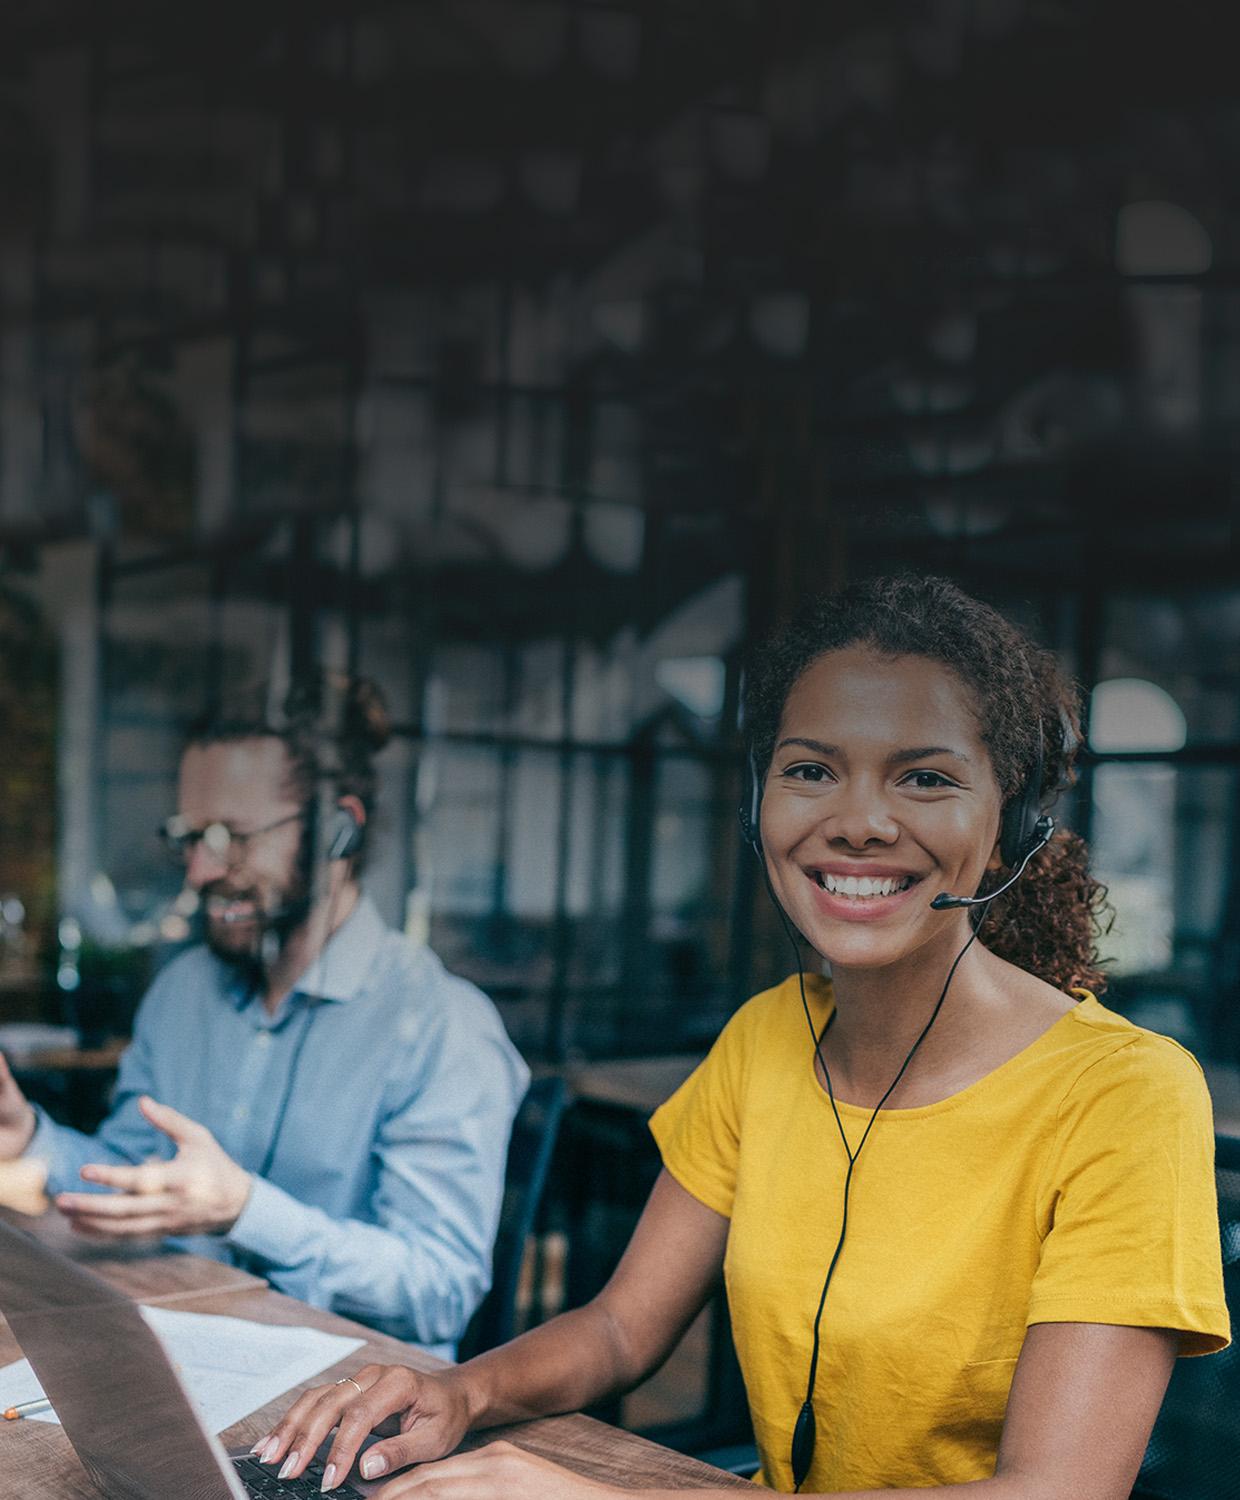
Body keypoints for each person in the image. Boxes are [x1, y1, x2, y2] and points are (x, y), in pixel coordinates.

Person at [254, 575, 1228, 1498]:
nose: (856, 821)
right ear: (756, 802)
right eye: (810, 770)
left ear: (1011, 822)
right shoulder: (767, 1037)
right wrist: (460, 1392)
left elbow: (1058, 1490)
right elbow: (620, 1329)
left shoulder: (1126, 1094)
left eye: (924, 778)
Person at [0, 675, 529, 1358]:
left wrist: (248, 1210)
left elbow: (438, 1287)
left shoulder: (440, 1025)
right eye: (189, 837)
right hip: (177, 1361)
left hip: (353, 1405)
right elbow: (135, 1178)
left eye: (229, 836)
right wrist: (30, 1139)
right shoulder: (182, 991)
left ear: (339, 830)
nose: (198, 872)